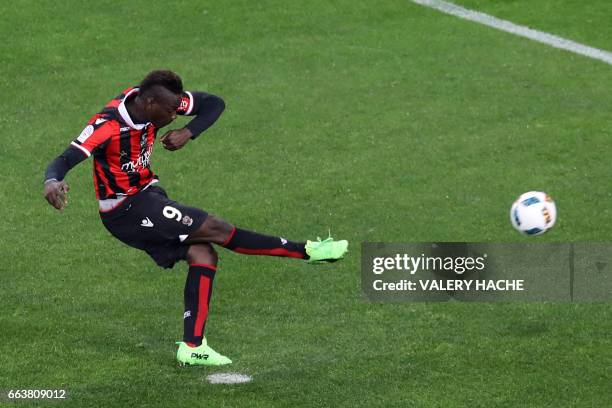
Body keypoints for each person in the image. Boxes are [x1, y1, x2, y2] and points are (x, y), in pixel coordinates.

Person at [43, 70, 348, 366]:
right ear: (150, 104)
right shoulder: (106, 125)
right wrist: (52, 182)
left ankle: (193, 347)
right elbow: (64, 159)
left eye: (179, 110)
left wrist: (190, 132)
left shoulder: (158, 101)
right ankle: (307, 250)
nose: (176, 115)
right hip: (127, 209)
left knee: (203, 254)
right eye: (173, 111)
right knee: (216, 228)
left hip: (149, 195)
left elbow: (214, 103)